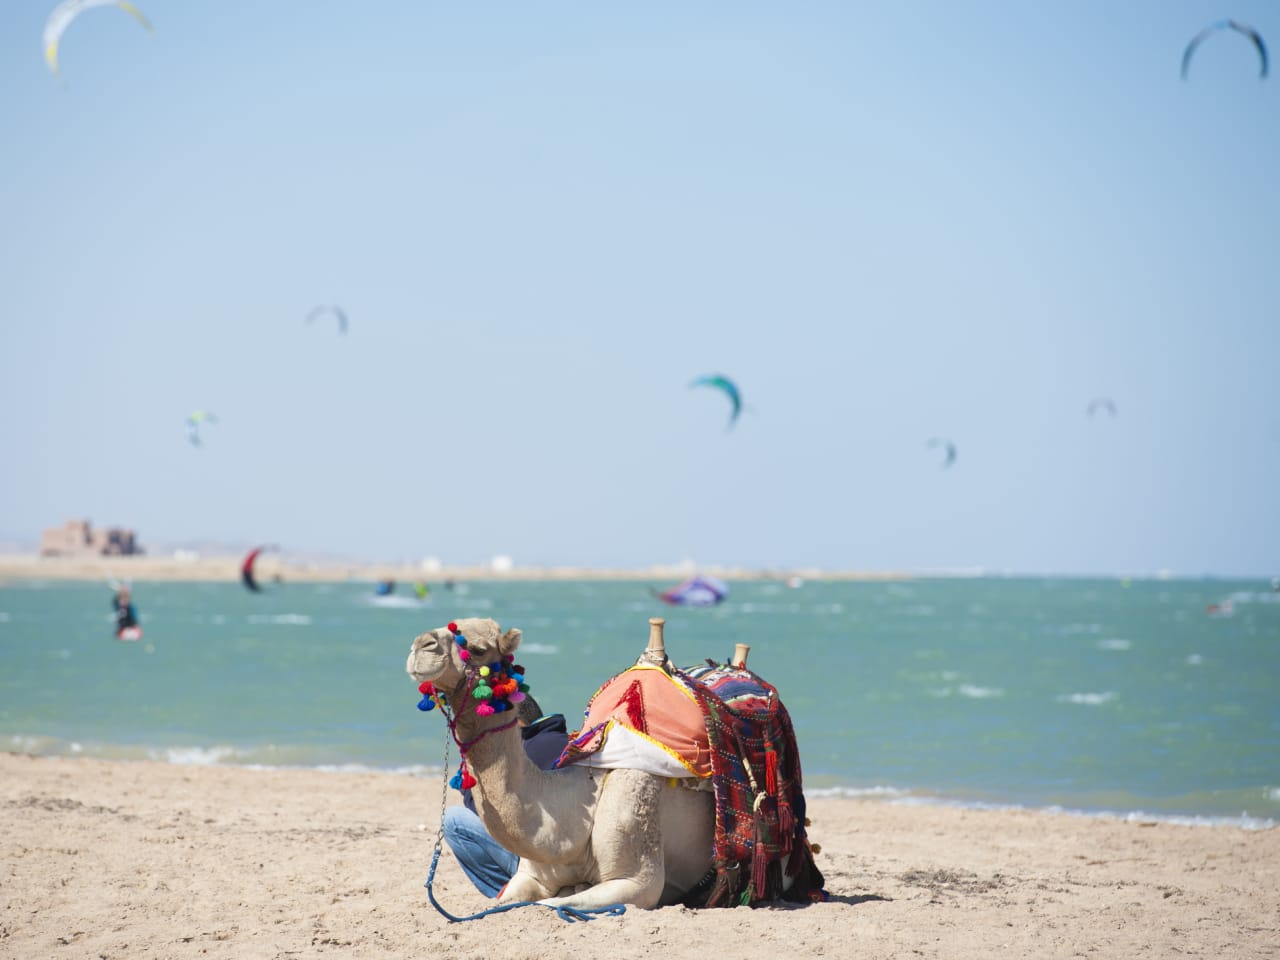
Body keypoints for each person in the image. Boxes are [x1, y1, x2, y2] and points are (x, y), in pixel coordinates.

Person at [441, 694, 569, 898]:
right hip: (568, 857)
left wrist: (470, 783)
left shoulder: (523, 753)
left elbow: (493, 816)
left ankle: (509, 893)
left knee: (454, 821)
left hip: (544, 862)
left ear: (511, 723)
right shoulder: (559, 741)